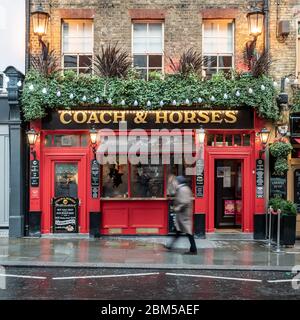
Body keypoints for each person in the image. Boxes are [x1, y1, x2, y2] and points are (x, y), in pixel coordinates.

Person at [165, 176, 197, 255]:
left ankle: (193, 249)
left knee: (188, 232)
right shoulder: (182, 188)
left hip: (184, 215)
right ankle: (170, 246)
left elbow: (185, 202)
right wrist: (170, 183)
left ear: (179, 181)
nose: (175, 182)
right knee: (178, 231)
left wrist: (177, 208)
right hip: (182, 215)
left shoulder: (183, 189)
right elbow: (171, 192)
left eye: (176, 181)